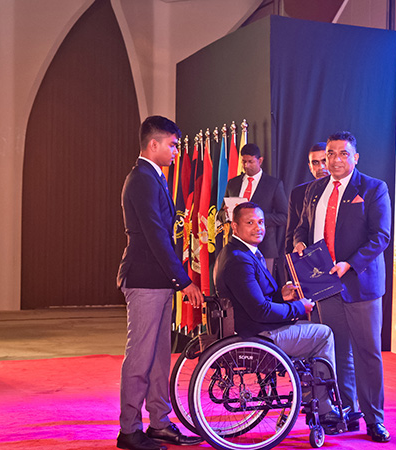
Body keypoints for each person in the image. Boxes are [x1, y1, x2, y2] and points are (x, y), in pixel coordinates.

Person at [293, 131, 392, 443]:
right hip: (323, 284)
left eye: (343, 154)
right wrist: (299, 243)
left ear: (355, 157)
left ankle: (374, 419)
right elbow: (302, 227)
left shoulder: (373, 188)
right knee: (333, 352)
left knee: (367, 353)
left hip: (360, 283)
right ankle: (344, 412)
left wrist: (350, 263)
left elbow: (381, 236)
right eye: (330, 154)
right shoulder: (313, 190)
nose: (335, 160)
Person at [116, 116, 204, 450]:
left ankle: (159, 423)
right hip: (144, 279)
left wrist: (175, 279)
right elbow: (155, 236)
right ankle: (129, 431)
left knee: (158, 358)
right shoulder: (142, 178)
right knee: (140, 358)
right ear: (153, 144)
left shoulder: (154, 177)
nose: (176, 151)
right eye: (172, 144)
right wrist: (184, 281)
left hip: (158, 280)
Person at [214, 201, 341, 422]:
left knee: (311, 330)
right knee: (323, 334)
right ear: (234, 226)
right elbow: (260, 311)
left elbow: (254, 299)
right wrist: (299, 307)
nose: (258, 228)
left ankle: (311, 397)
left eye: (261, 222)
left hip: (255, 328)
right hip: (257, 336)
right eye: (250, 223)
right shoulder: (239, 260)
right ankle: (323, 409)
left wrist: (282, 295)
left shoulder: (241, 253)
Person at [224, 143, 288, 273]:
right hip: (236, 247)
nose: (246, 166)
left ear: (260, 160)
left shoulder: (273, 184)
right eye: (244, 162)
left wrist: (257, 219)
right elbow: (221, 212)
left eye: (250, 162)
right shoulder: (233, 183)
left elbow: (284, 216)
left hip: (264, 247)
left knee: (263, 284)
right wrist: (226, 214)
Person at [285, 142, 329, 254]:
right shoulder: (298, 193)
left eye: (324, 161)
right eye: (315, 163)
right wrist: (289, 261)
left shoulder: (343, 189)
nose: (321, 167)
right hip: (308, 256)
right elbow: (291, 231)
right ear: (310, 167)